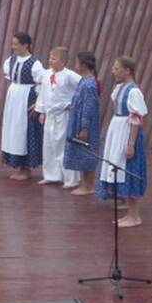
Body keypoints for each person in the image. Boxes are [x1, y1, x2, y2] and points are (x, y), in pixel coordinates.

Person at [96, 56, 148, 227]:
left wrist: (131, 143)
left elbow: (136, 118)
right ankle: (129, 214)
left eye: (117, 68)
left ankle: (135, 216)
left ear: (127, 70)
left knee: (128, 170)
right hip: (117, 128)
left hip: (126, 132)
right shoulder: (120, 88)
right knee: (118, 168)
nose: (113, 70)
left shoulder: (133, 91)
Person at [0, 32, 46, 181]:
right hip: (14, 95)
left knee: (24, 129)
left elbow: (42, 83)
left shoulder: (35, 63)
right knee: (13, 128)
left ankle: (26, 168)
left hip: (27, 96)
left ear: (25, 45)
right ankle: (18, 166)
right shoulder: (11, 60)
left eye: (15, 44)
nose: (13, 47)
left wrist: (38, 102)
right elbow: (10, 77)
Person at [35, 46, 82, 187]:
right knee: (49, 145)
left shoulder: (69, 75)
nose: (50, 61)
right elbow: (43, 93)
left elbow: (83, 87)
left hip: (63, 114)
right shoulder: (46, 74)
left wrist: (71, 103)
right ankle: (51, 175)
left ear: (62, 61)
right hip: (50, 114)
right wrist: (41, 111)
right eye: (50, 58)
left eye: (54, 59)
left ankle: (70, 178)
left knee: (62, 145)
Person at [64, 51, 101, 196]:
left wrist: (84, 127)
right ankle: (85, 183)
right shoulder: (83, 81)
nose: (75, 65)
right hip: (78, 121)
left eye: (77, 62)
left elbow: (89, 106)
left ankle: (88, 185)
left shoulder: (90, 84)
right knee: (80, 152)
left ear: (84, 65)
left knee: (87, 153)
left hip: (85, 124)